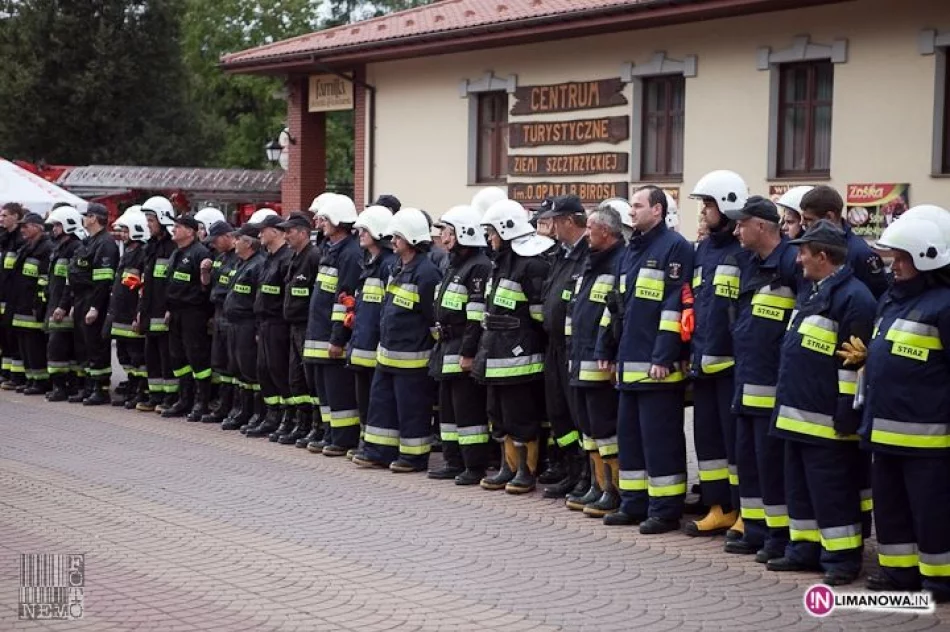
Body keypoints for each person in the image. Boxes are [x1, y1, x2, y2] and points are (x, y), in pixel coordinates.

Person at [766, 220, 876, 586]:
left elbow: (853, 364)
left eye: (804, 253)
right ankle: (804, 550)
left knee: (832, 493)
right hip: (798, 416)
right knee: (800, 490)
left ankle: (842, 560)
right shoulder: (814, 291)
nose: (798, 260)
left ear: (824, 256)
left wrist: (847, 414)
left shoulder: (855, 299)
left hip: (828, 421)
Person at [861, 208, 950, 603]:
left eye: (900, 259)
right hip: (885, 428)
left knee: (932, 514)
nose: (893, 266)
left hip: (928, 438)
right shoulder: (891, 300)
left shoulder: (944, 305)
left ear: (925, 259)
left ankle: (940, 581)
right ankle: (899, 574)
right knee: (891, 510)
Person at [595, 185, 693, 533]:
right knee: (631, 439)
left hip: (657, 370)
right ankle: (634, 504)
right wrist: (604, 348)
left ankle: (665, 510)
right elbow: (615, 305)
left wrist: (665, 356)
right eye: (631, 206)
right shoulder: (629, 250)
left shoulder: (676, 248)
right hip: (628, 364)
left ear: (657, 210)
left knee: (660, 441)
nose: (631, 212)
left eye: (637, 206)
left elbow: (676, 306)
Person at [723, 195, 800, 562]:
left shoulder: (789, 264)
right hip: (747, 383)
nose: (736, 230)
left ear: (762, 226)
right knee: (749, 465)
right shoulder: (751, 263)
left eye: (741, 224)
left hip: (772, 389)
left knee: (772, 468)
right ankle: (755, 530)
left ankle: (778, 536)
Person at [353, 208, 443, 473]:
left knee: (412, 410)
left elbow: (432, 317)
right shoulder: (397, 267)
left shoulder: (427, 273)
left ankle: (413, 457)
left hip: (412, 358)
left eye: (397, 237)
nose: (392, 241)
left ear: (412, 238)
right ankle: (378, 452)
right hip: (388, 354)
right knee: (381, 406)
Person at [683, 170, 747, 537]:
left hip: (732, 367)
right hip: (703, 362)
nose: (704, 211)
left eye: (708, 204)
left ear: (726, 206)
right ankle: (717, 506)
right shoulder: (703, 249)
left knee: (734, 444)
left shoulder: (742, 251)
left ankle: (741, 509)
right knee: (707, 444)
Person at [474, 200, 553, 493]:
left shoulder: (530, 263)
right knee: (498, 415)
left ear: (506, 230)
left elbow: (539, 315)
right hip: (495, 353)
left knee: (520, 417)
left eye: (492, 232)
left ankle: (526, 470)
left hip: (520, 358)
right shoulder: (501, 263)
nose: (490, 239)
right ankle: (508, 467)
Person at [565, 206, 624, 516]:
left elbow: (612, 316)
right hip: (579, 358)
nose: (586, 233)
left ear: (606, 231)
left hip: (598, 363)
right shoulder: (591, 263)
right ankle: (597, 486)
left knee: (605, 429)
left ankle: (612, 491)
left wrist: (606, 352)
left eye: (590, 228)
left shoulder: (617, 264)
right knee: (588, 428)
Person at [427, 205, 492, 484]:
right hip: (445, 346)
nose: (444, 238)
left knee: (468, 411)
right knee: (449, 410)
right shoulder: (453, 263)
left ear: (464, 233)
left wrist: (468, 353)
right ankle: (453, 461)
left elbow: (475, 317)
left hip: (461, 347)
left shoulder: (478, 266)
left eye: (448, 232)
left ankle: (473, 465)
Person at [537, 195, 590, 499]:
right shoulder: (562, 253)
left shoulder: (586, 253)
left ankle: (585, 474)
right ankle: (571, 471)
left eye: (555, 220)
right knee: (558, 412)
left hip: (572, 346)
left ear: (569, 221)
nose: (551, 226)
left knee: (576, 413)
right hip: (554, 345)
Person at [302, 195, 363, 454]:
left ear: (338, 221)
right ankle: (330, 433)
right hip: (318, 334)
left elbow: (344, 300)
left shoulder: (349, 253)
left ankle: (343, 438)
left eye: (324, 219)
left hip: (331, 337)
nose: (320, 223)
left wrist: (338, 338)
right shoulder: (330, 249)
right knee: (325, 393)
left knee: (339, 393)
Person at [345, 206, 396, 454]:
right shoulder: (370, 263)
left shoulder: (388, 265)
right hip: (362, 344)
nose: (359, 233)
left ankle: (375, 446)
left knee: (377, 401)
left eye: (364, 229)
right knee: (364, 399)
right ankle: (366, 443)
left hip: (376, 347)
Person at [245, 213, 293, 437]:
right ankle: (271, 415)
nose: (259, 234)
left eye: (263, 230)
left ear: (275, 231)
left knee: (278, 371)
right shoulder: (268, 258)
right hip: (264, 323)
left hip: (278, 324)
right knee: (263, 371)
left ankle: (287, 417)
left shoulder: (286, 259)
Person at [161, 213, 213, 419]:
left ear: (190, 231)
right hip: (175, 313)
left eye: (178, 227)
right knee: (178, 357)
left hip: (193, 313)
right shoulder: (176, 253)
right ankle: (185, 399)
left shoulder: (200, 253)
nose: (173, 230)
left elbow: (205, 287)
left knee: (197, 357)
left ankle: (202, 402)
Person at [277, 212, 323, 446]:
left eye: (290, 231)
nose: (286, 236)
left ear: (304, 233)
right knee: (296, 378)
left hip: (307, 327)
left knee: (309, 379)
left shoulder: (314, 257)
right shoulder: (294, 257)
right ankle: (301, 423)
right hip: (293, 326)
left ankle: (317, 426)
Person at [67, 203, 119, 405]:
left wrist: (95, 307)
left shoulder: (105, 244)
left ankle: (101, 388)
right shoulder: (89, 242)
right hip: (81, 299)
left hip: (94, 299)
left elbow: (103, 281)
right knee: (83, 346)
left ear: (94, 218)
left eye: (86, 216)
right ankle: (89, 386)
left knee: (96, 346)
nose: (84, 219)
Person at [799, 185, 889, 298]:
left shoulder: (860, 253)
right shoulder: (810, 245)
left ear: (829, 217)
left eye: (809, 219)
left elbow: (878, 297)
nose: (802, 224)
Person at [221, 223, 267, 431]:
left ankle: (256, 412)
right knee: (237, 369)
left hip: (248, 324)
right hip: (234, 323)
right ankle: (242, 409)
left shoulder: (257, 265)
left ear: (248, 243)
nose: (235, 241)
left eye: (238, 238)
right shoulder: (242, 263)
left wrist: (257, 329)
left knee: (250, 370)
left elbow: (258, 300)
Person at [136, 196, 178, 412]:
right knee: (151, 356)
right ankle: (155, 396)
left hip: (164, 311)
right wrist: (140, 312)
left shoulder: (172, 247)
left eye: (151, 220)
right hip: (149, 310)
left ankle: (170, 398)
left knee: (166, 356)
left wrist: (170, 308)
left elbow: (172, 283)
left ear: (162, 219)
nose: (148, 224)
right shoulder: (150, 247)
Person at [106, 208, 150, 408]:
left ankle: (140, 390)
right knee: (123, 354)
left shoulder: (142, 254)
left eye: (126, 230)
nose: (122, 235)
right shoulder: (128, 253)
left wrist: (138, 314)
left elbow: (141, 288)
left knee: (136, 356)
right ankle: (132, 386)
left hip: (132, 313)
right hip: (120, 313)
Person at [5, 212, 52, 394]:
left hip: (33, 306)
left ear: (37, 227)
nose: (22, 230)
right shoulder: (26, 247)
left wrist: (39, 304)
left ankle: (40, 381)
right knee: (24, 345)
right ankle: (31, 378)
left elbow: (43, 279)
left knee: (35, 346)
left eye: (26, 226)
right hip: (20, 305)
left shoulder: (45, 248)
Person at [42, 206, 86, 401]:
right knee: (59, 347)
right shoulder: (59, 248)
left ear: (68, 225)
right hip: (56, 304)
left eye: (58, 225)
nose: (54, 230)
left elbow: (70, 282)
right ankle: (63, 386)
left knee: (58, 348)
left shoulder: (75, 248)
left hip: (65, 307)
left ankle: (64, 386)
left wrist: (63, 305)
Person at [198, 220, 239, 423]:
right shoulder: (219, 258)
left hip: (232, 315)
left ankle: (233, 406)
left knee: (233, 364)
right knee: (220, 362)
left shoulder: (238, 259)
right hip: (218, 313)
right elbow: (209, 286)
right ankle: (223, 405)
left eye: (215, 240)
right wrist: (205, 272)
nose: (212, 244)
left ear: (227, 236)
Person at [0, 202, 26, 389]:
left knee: (12, 336)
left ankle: (16, 377)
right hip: (2, 296)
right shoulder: (4, 238)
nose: (1, 219)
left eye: (5, 215)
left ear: (16, 217)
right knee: (4, 337)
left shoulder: (20, 242)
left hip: (13, 297)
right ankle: (6, 373)